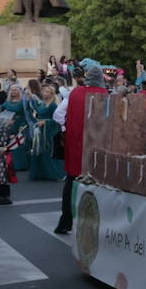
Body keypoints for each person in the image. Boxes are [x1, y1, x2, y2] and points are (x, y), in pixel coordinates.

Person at [52, 61, 109, 234]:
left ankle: (66, 221)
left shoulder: (74, 93)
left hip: (76, 144)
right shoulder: (107, 95)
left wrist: (66, 129)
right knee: (98, 184)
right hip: (98, 147)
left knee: (71, 182)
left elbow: (58, 115)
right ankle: (94, 223)